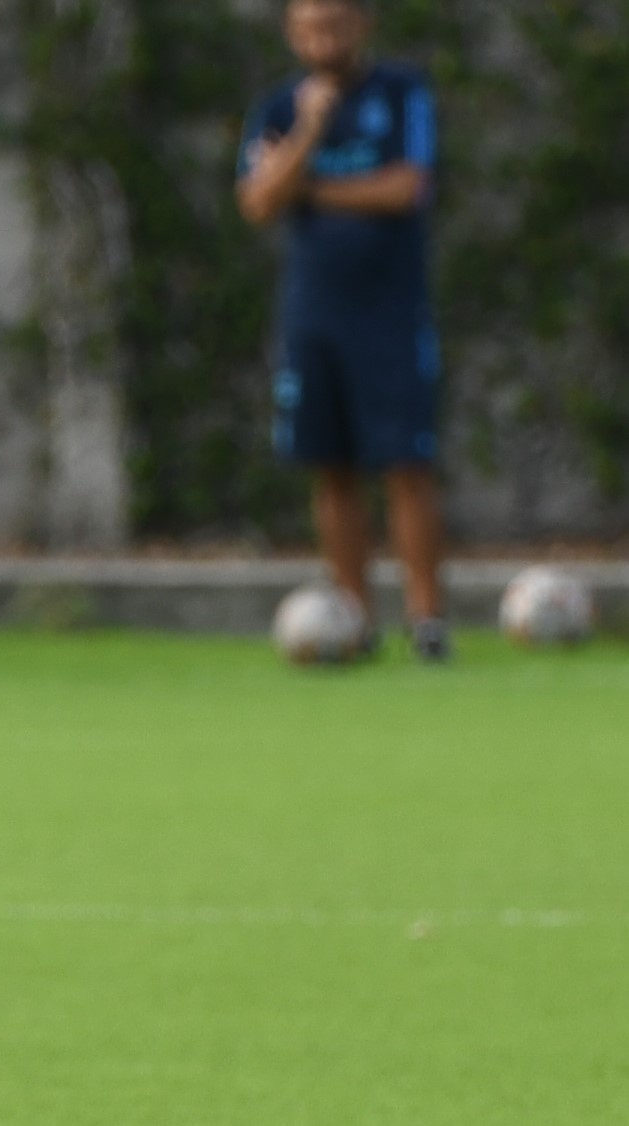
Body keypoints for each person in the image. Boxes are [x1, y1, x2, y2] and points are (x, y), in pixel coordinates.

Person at [238, 0, 447, 661]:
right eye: (306, 29)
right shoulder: (279, 108)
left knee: (406, 463)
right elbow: (259, 200)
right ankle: (351, 619)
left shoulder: (401, 94)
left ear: (361, 24)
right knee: (329, 468)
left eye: (332, 25)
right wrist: (309, 129)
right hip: (311, 313)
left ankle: (426, 622)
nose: (320, 40)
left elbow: (403, 189)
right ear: (291, 35)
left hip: (388, 312)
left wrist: (312, 187)